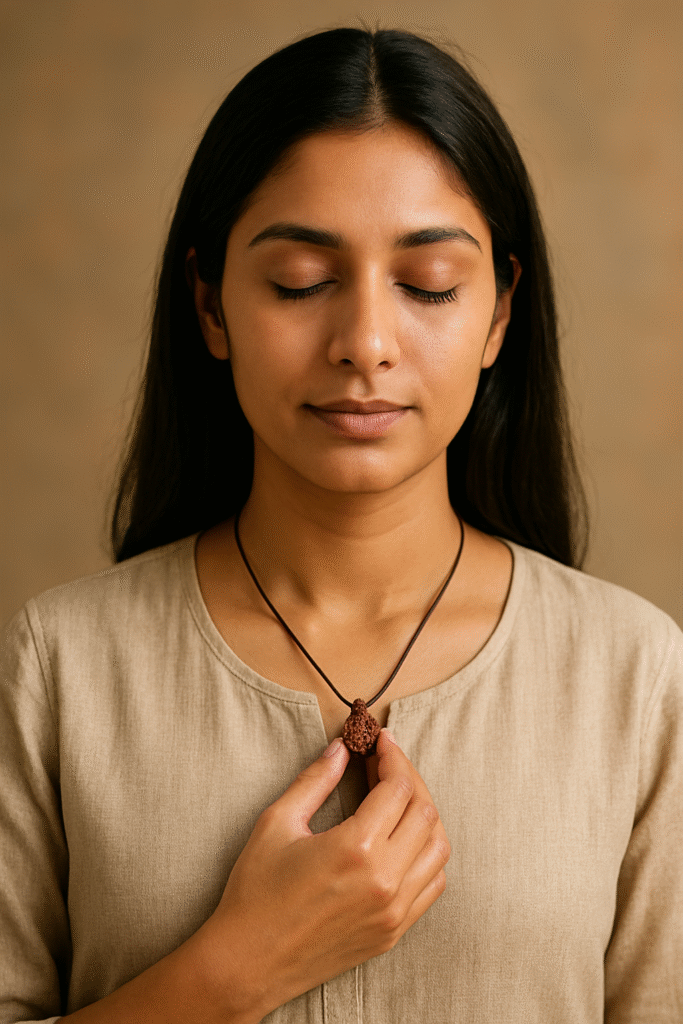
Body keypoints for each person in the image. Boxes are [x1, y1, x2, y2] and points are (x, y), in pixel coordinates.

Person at [1, 26, 681, 1024]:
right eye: (298, 282)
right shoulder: (62, 664)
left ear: (498, 313)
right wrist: (231, 971)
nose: (364, 342)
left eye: (429, 285)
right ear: (210, 303)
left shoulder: (634, 675)